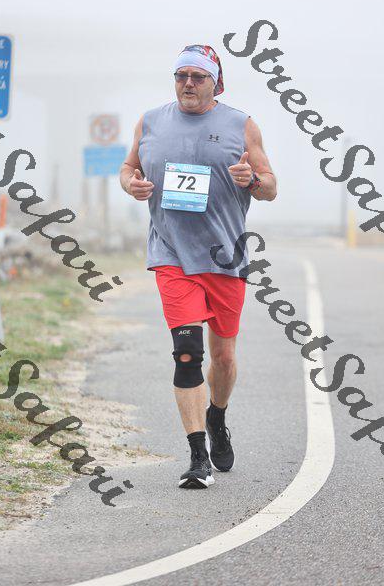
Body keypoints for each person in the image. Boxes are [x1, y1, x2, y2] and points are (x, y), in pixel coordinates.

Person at [120, 44, 277, 489]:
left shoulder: (240, 124)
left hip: (225, 258)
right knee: (188, 353)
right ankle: (197, 456)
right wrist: (131, 184)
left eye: (198, 77)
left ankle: (217, 416)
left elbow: (270, 187)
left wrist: (253, 180)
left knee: (223, 358)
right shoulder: (151, 121)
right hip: (171, 254)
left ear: (215, 82)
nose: (188, 83)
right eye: (181, 75)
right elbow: (128, 166)